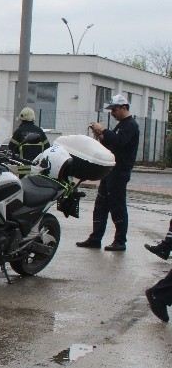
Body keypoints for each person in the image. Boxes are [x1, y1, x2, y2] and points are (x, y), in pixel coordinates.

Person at [76, 94, 139, 252]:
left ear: (124, 107)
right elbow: (112, 144)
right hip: (110, 170)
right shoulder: (122, 125)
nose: (112, 113)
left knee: (117, 206)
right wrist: (101, 135)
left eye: (114, 109)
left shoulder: (130, 125)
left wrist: (104, 130)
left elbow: (120, 142)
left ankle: (120, 241)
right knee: (101, 205)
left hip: (120, 171)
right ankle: (95, 238)